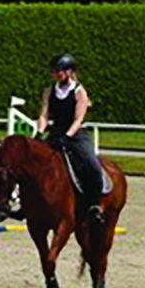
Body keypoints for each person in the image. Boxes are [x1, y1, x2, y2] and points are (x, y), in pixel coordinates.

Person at [36, 52, 105, 219]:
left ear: (69, 71)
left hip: (75, 135)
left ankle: (94, 204)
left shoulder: (79, 92)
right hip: (55, 133)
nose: (57, 74)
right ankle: (27, 204)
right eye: (55, 71)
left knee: (93, 166)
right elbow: (44, 115)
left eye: (60, 70)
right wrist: (39, 133)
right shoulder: (49, 91)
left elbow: (78, 119)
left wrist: (67, 137)